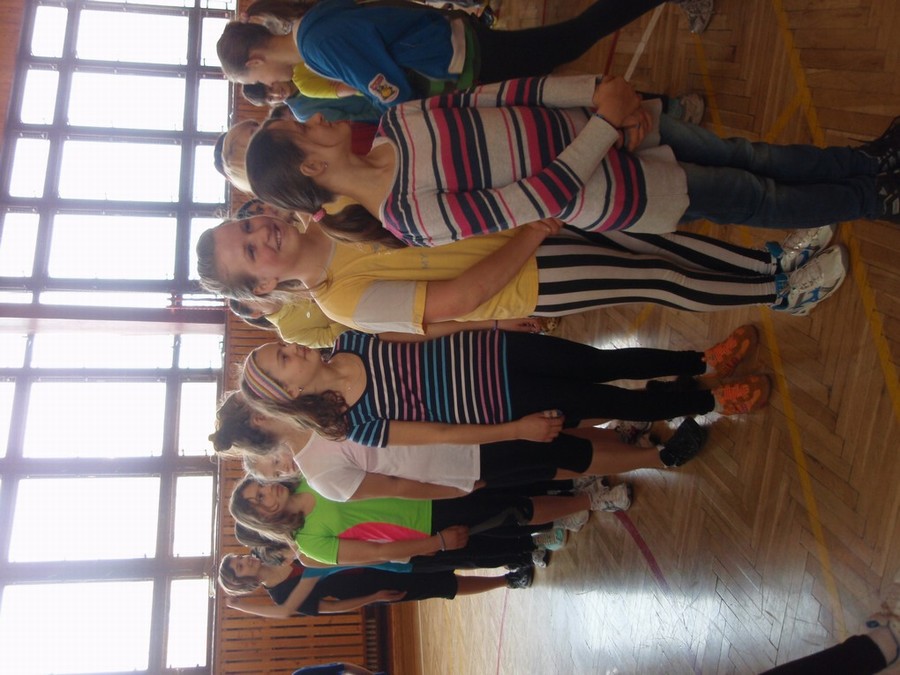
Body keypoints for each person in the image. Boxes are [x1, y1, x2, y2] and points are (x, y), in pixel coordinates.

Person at [244, 73, 900, 250]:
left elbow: (505, 94)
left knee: (748, 152)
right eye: (304, 129)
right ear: (310, 169)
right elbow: (536, 200)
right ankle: (875, 198)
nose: (318, 117)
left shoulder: (395, 120)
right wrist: (606, 124)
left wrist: (600, 92)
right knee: (756, 195)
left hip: (616, 122)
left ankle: (868, 163)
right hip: (627, 185)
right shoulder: (409, 219)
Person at [197, 211, 845, 337]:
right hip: (530, 274)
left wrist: (523, 216)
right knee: (657, 277)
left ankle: (767, 261)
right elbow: (462, 294)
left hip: (525, 225)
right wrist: (531, 236)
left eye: (247, 225)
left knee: (659, 244)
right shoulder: (342, 303)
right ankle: (780, 292)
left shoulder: (336, 211)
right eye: (249, 251)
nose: (261, 233)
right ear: (262, 288)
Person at [237, 326, 770, 456]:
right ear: (290, 391)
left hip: (502, 350)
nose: (292, 347)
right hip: (510, 404)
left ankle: (701, 362)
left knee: (606, 363)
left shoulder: (350, 338)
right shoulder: (355, 426)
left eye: (280, 345)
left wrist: (495, 322)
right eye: (283, 358)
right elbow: (441, 434)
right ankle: (713, 401)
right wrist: (516, 430)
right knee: (619, 403)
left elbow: (427, 331)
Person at [213, 391, 708, 505]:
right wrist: (455, 488)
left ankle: (629, 436)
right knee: (562, 454)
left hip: (460, 414)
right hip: (463, 458)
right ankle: (659, 457)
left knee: (558, 425)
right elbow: (396, 485)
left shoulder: (318, 404)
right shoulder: (321, 475)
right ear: (260, 419)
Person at [216, 0, 714, 109]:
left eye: (251, 81)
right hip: (459, 49)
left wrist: (394, 116)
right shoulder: (311, 26)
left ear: (254, 63)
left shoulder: (316, 48)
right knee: (563, 73)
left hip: (463, 58)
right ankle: (667, 106)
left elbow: (391, 89)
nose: (265, 86)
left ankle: (669, 106)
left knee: (575, 38)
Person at [229, 474, 613, 567]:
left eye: (259, 486)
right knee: (514, 511)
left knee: (508, 481)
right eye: (259, 499)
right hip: (428, 520)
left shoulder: (307, 475)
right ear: (263, 518)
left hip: (424, 482)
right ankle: (590, 500)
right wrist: (437, 543)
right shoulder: (310, 541)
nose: (266, 491)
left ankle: (576, 487)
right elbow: (376, 553)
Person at [218, 553, 531, 620]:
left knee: (442, 556)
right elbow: (332, 606)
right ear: (245, 581)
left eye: (240, 558)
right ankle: (507, 580)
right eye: (240, 566)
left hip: (372, 554)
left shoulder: (275, 551)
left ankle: (510, 555)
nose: (246, 559)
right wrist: (373, 597)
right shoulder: (281, 595)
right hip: (369, 584)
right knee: (444, 584)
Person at [242, 80, 381, 123]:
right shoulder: (304, 114)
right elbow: (351, 122)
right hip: (378, 101)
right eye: (270, 98)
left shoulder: (299, 70)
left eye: (270, 87)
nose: (277, 93)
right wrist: (382, 108)